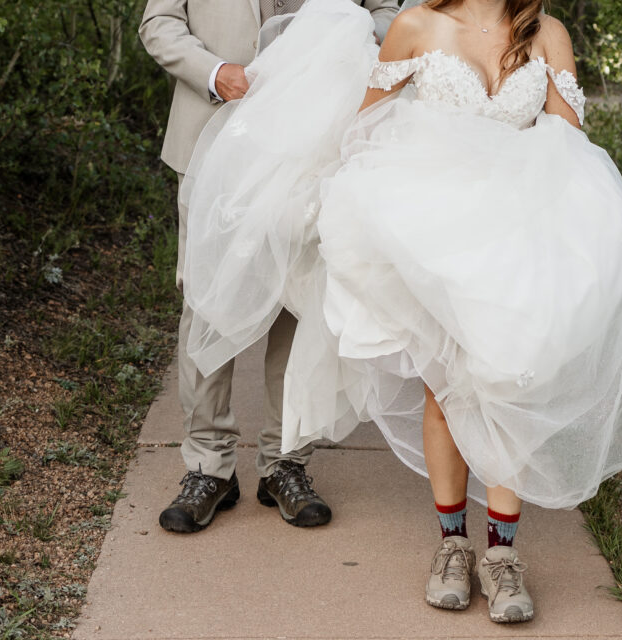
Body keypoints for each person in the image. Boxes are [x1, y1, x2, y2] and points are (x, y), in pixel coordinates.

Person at [180, 0, 622, 623]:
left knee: (510, 383)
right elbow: (364, 126)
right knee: (446, 387)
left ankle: (503, 554)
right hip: (437, 240)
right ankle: (453, 544)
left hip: (518, 232)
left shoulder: (546, 33)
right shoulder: (413, 26)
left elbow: (566, 135)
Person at [138, 0, 399, 534]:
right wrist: (214, 72)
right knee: (207, 301)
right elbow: (159, 22)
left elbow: (387, 12)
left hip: (313, 147)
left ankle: (286, 463)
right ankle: (209, 467)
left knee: (298, 302)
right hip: (212, 142)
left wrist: (346, 49)